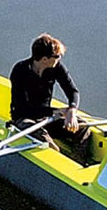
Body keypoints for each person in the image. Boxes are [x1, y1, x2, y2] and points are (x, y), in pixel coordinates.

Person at [9, 33, 91, 163]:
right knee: (49, 145)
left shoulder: (56, 67)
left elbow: (73, 91)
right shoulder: (20, 71)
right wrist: (54, 111)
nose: (59, 58)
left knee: (83, 127)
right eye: (57, 56)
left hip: (47, 117)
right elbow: (23, 108)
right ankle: (58, 160)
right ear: (44, 59)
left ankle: (77, 161)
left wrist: (72, 110)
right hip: (24, 118)